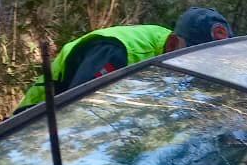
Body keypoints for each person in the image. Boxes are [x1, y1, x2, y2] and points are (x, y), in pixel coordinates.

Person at [16, 7, 233, 112]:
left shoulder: (166, 46)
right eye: (193, 56)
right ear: (174, 42)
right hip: (26, 126)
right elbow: (77, 112)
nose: (196, 66)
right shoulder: (116, 52)